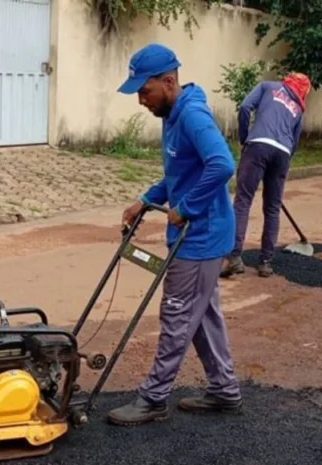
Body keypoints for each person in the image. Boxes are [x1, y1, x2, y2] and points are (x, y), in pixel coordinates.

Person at [108, 42, 243, 426]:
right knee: (201, 315)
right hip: (200, 235)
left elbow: (222, 164)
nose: (140, 100)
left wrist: (186, 209)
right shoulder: (172, 114)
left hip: (200, 237)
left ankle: (153, 399)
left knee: (177, 314)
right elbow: (181, 174)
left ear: (168, 82)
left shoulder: (193, 117)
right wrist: (145, 200)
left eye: (144, 91)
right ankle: (224, 390)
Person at [220, 72, 311, 278]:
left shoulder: (267, 87)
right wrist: (282, 163)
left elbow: (244, 107)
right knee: (272, 208)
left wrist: (245, 138)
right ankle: (265, 263)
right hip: (283, 154)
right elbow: (294, 143)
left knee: (243, 201)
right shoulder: (298, 109)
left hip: (258, 145)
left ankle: (234, 257)